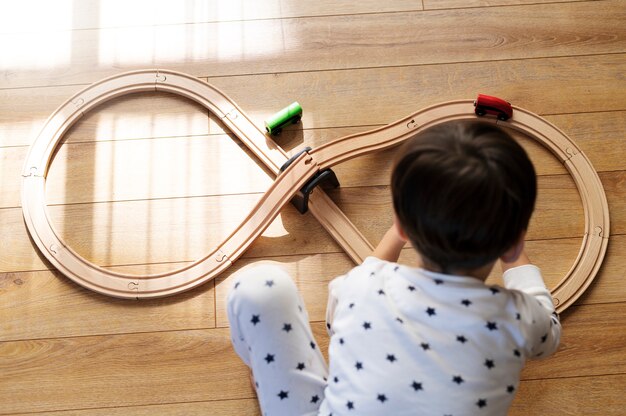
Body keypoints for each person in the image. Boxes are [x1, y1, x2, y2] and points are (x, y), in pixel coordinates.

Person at [227, 120, 562, 415]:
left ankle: (265, 373)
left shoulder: (364, 285)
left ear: (402, 225)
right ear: (514, 240)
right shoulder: (518, 317)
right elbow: (549, 333)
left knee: (260, 287)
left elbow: (334, 324)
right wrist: (515, 256)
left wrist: (394, 235)